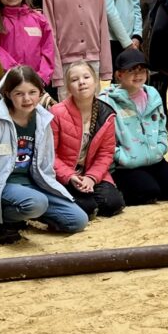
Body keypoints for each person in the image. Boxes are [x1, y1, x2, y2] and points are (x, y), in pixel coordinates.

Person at [0, 66, 88, 246]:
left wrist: (54, 189)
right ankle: (3, 218)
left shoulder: (43, 121)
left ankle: (27, 212)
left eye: (32, 92)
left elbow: (46, 166)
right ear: (8, 94)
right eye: (19, 93)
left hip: (33, 185)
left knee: (77, 220)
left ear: (40, 93)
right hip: (4, 185)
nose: (27, 99)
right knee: (37, 202)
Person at [101, 49, 168, 206]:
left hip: (152, 157)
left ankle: (147, 179)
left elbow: (161, 124)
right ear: (119, 75)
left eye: (141, 70)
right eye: (131, 70)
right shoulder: (107, 101)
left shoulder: (152, 94)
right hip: (126, 165)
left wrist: (160, 147)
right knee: (148, 193)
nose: (138, 75)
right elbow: (106, 137)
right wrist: (121, 157)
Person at [49, 60, 125, 219]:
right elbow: (50, 155)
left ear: (96, 81)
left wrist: (91, 177)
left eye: (86, 77)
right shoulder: (56, 113)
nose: (81, 82)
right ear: (68, 87)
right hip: (66, 174)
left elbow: (106, 153)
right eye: (74, 80)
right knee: (87, 208)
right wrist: (70, 176)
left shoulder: (106, 113)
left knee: (112, 203)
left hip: (91, 171)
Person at [43, 0, 112, 98]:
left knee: (92, 107)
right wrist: (57, 72)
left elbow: (102, 26)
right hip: (66, 60)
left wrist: (106, 68)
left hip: (92, 60)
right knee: (68, 111)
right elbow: (50, 31)